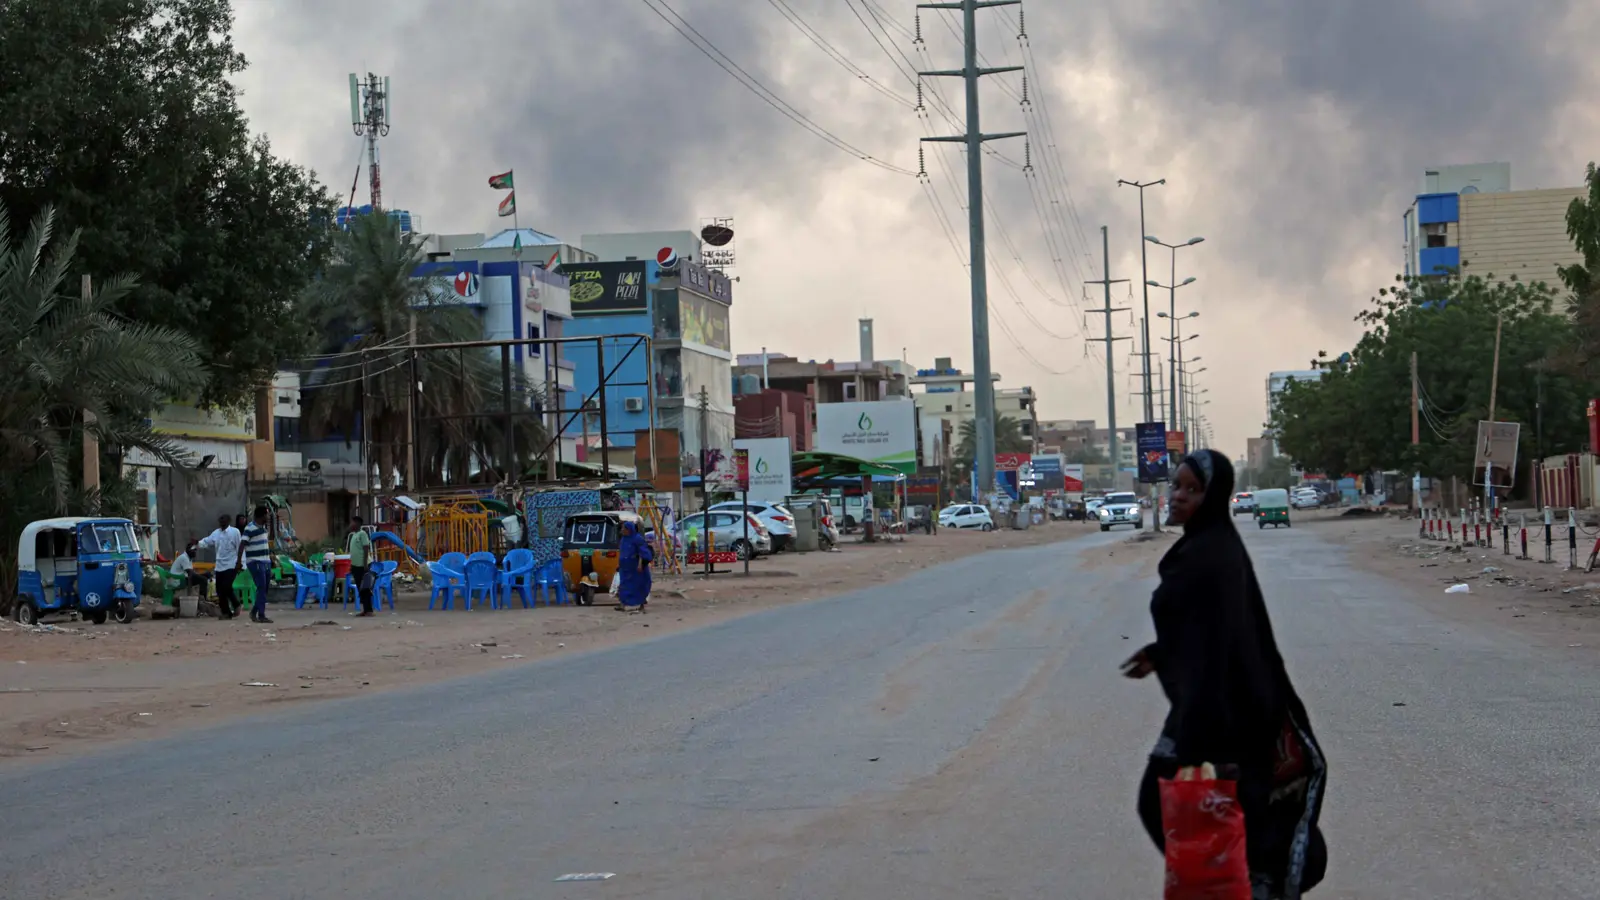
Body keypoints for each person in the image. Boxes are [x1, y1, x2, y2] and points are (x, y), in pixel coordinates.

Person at [1123, 449, 1329, 900]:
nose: (1177, 497)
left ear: (1212, 497)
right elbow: (1206, 628)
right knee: (1225, 815)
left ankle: (1242, 884)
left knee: (1165, 802)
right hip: (1218, 708)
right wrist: (1161, 653)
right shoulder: (1205, 547)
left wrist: (1203, 741)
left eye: (1191, 490)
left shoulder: (1210, 556)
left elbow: (1219, 643)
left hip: (1223, 715)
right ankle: (1240, 882)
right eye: (1175, 486)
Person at [197, 514, 243, 619]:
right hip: (220, 566)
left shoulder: (235, 532)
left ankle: (236, 605)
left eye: (224, 520)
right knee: (220, 590)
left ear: (229, 521)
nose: (222, 522)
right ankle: (226, 612)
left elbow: (240, 547)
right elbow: (207, 541)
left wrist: (240, 563)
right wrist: (197, 544)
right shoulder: (216, 533)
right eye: (220, 520)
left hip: (232, 564)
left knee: (226, 587)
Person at [241, 506, 273, 624]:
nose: (268, 517)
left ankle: (254, 611)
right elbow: (242, 544)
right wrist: (239, 561)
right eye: (267, 514)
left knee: (265, 589)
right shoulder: (249, 528)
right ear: (262, 515)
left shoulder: (264, 528)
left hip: (266, 561)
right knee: (261, 587)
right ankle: (261, 615)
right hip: (255, 561)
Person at [615, 520, 653, 612]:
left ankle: (641, 605)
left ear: (629, 529)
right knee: (623, 585)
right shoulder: (624, 539)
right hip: (625, 567)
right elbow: (623, 553)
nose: (622, 530)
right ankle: (623, 604)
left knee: (638, 586)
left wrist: (640, 564)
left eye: (624, 528)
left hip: (635, 568)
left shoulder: (637, 539)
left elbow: (642, 552)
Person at [346, 516, 375, 617]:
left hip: (363, 565)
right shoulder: (353, 535)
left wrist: (365, 563)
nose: (350, 525)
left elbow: (366, 548)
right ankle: (365, 609)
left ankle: (369, 610)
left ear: (357, 523)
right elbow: (354, 552)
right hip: (356, 566)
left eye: (352, 522)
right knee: (360, 588)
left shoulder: (362, 534)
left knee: (365, 588)